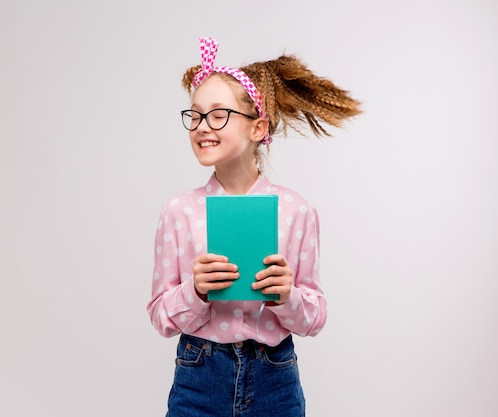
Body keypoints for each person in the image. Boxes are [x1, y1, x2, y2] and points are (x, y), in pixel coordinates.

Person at [146, 37, 361, 417]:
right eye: (194, 115)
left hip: (274, 378)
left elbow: (315, 317)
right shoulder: (178, 211)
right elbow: (160, 317)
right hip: (199, 377)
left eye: (217, 115)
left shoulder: (296, 211)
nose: (200, 127)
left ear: (258, 128)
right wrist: (195, 291)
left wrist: (287, 296)